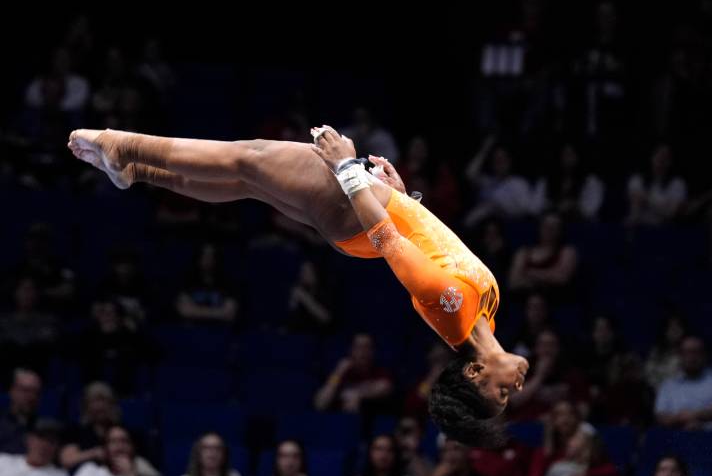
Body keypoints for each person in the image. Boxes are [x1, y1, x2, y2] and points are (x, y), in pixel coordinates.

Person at [68, 125, 530, 447]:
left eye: (502, 393)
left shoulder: (453, 310)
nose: (516, 387)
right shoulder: (481, 314)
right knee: (248, 181)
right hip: (359, 217)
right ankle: (138, 171)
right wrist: (405, 198)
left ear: (474, 373)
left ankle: (122, 144)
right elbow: (429, 243)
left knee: (247, 157)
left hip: (356, 212)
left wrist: (347, 168)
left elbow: (388, 242)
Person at [67, 425, 157, 476]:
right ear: (105, 448)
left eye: (124, 441)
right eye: (113, 441)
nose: (119, 446)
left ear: (133, 448)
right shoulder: (90, 471)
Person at [0, 418, 69, 476]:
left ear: (56, 447)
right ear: (28, 439)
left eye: (51, 441)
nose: (44, 445)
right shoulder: (3, 460)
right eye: (40, 438)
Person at [0, 368, 42, 454]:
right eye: (26, 390)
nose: (31, 397)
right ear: (12, 391)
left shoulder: (43, 427)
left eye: (36, 392)